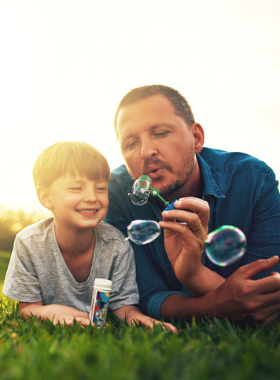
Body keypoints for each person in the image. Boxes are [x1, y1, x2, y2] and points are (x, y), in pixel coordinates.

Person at [104, 84, 280, 326]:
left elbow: (263, 299)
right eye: (131, 143)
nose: (145, 151)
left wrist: (194, 275)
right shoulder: (114, 194)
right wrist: (218, 304)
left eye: (161, 132)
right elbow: (147, 295)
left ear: (196, 138)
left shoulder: (254, 181)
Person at [2, 141, 177, 331]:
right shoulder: (29, 243)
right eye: (76, 188)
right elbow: (27, 308)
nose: (92, 197)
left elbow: (123, 306)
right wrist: (50, 312)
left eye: (100, 188)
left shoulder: (116, 244)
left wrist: (140, 319)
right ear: (46, 197)